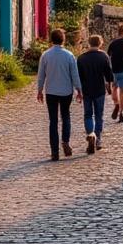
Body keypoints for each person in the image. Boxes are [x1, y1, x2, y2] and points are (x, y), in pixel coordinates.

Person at [35, 28, 82, 161]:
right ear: (63, 40)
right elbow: (74, 74)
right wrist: (79, 89)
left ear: (51, 40)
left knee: (53, 121)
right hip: (66, 91)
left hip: (51, 92)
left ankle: (54, 151)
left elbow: (41, 76)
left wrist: (39, 90)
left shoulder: (45, 55)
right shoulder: (69, 55)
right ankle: (65, 141)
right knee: (66, 116)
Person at [77, 34, 116, 154]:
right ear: (100, 43)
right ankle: (98, 138)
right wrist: (109, 86)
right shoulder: (103, 56)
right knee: (99, 115)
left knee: (88, 115)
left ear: (89, 43)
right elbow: (108, 74)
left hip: (87, 90)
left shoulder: (81, 58)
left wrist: (79, 90)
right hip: (99, 90)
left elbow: (79, 76)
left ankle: (91, 133)